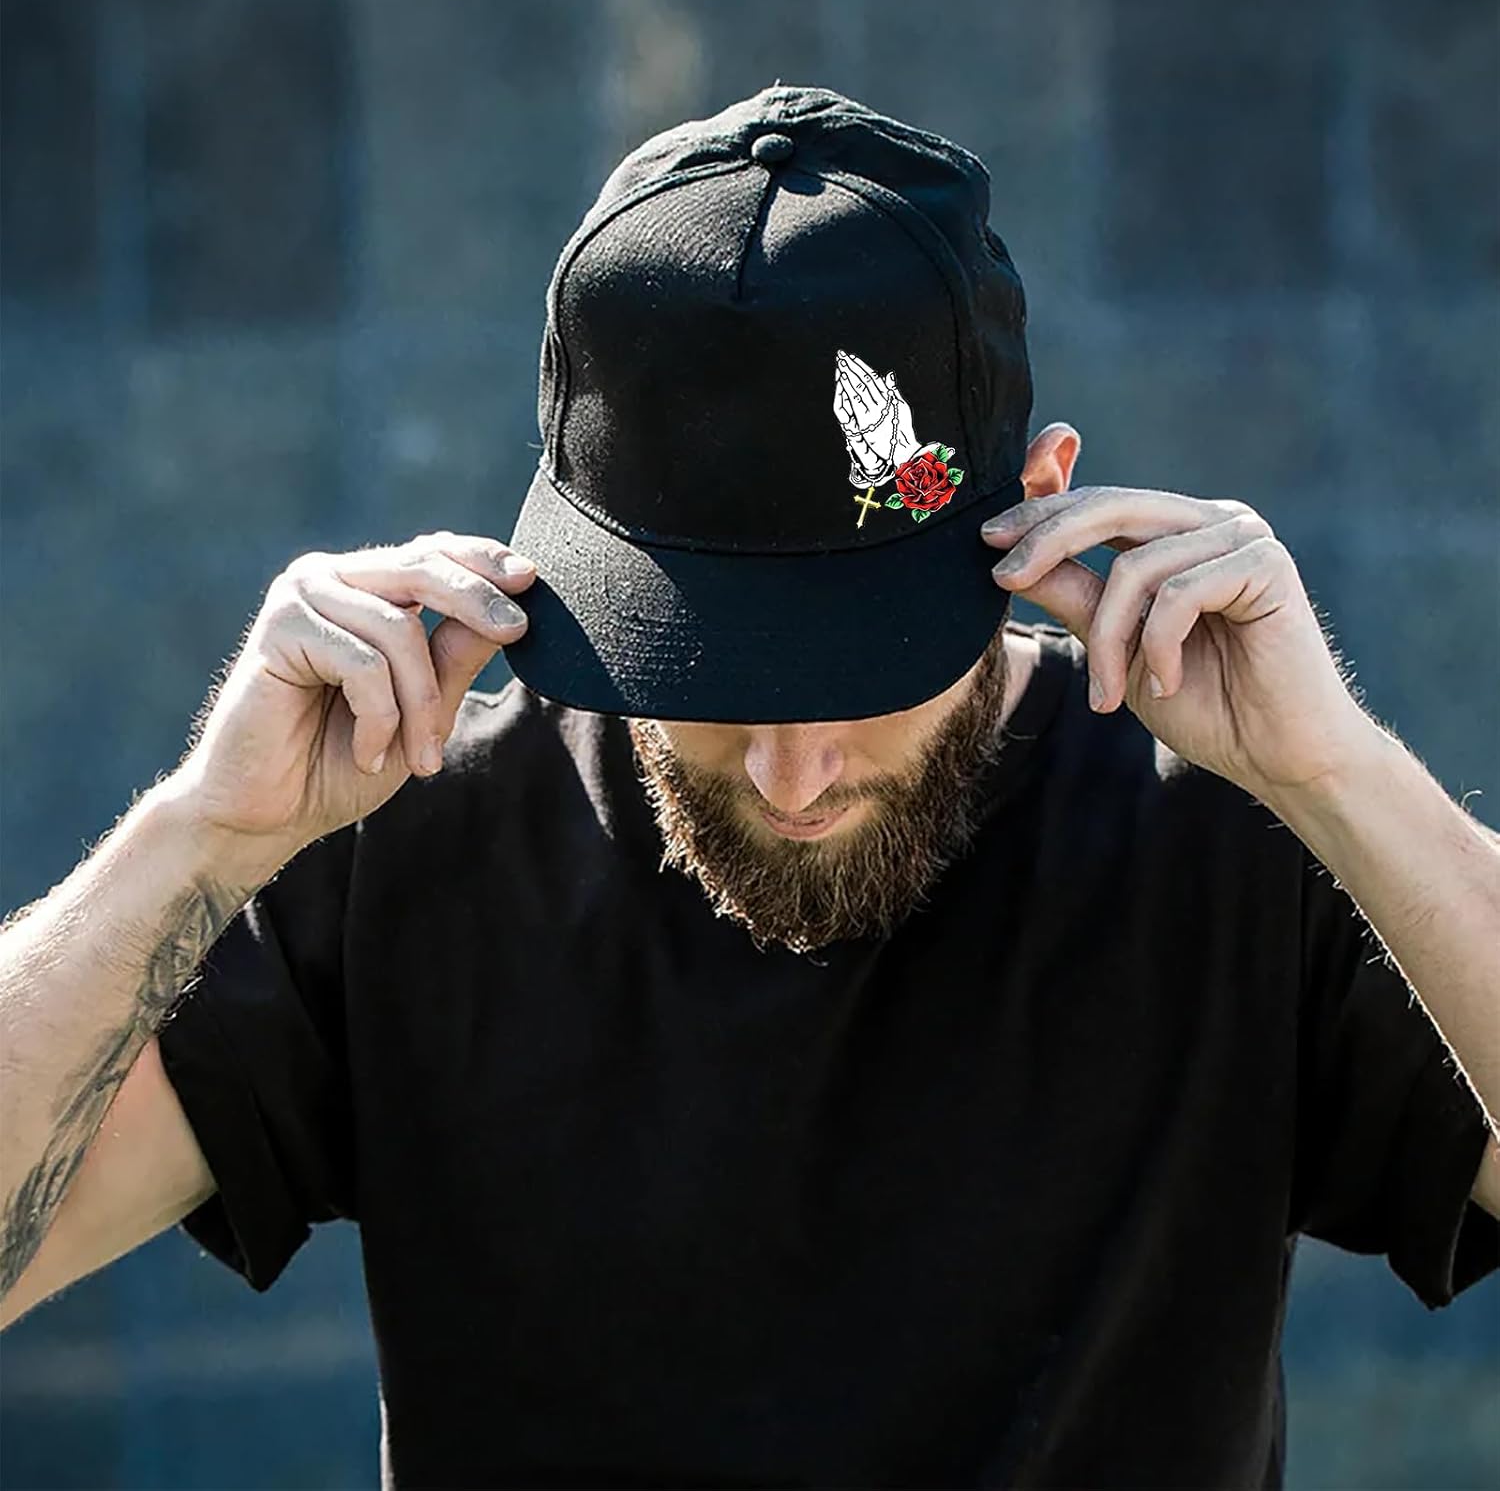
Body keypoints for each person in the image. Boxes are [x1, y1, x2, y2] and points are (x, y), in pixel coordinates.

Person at [1, 83, 1496, 1489]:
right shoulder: (412, 845)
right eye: (709, 671)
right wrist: (202, 832)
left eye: (868, 661)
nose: (793, 771)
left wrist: (1342, 777)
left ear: (1039, 511)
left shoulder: (1234, 841)